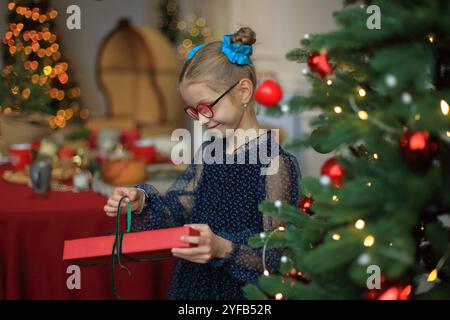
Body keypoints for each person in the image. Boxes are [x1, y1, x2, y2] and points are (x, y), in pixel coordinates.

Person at [104, 27, 302, 299]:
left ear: (243, 91)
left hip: (241, 294)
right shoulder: (210, 153)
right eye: (194, 110)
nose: (201, 119)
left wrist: (222, 248)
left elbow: (278, 254)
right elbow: (180, 208)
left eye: (207, 107)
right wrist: (141, 201)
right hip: (193, 286)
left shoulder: (276, 163)